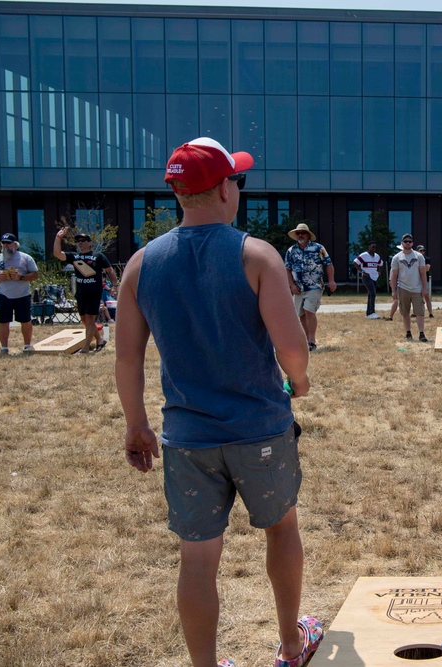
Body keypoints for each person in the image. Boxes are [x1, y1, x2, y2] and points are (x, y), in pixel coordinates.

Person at [115, 136, 323, 667]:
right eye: (238, 179)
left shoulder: (141, 264)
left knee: (198, 558)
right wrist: (298, 383)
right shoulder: (256, 254)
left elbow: (128, 360)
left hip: (187, 439)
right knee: (282, 529)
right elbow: (291, 347)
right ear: (225, 189)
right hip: (260, 429)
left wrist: (136, 425)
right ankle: (292, 646)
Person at [53, 228, 119, 352]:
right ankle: (100, 340)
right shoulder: (74, 256)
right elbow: (58, 254)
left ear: (90, 243)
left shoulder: (98, 256)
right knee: (84, 319)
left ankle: (85, 348)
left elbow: (109, 270)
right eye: (78, 241)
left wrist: (114, 286)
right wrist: (58, 238)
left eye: (83, 240)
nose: (80, 243)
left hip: (93, 291)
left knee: (90, 319)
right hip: (81, 292)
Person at [0, 233, 39, 355]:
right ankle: (4, 348)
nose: (5, 246)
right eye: (3, 243)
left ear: (15, 245)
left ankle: (27, 346)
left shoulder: (26, 258)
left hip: (22, 295)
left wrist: (21, 277)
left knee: (25, 320)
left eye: (8, 243)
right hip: (3, 295)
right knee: (3, 322)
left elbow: (35, 275)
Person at [285, 222, 336, 351]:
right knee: (301, 314)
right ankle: (306, 340)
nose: (300, 235)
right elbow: (287, 269)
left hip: (314, 285)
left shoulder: (319, 248)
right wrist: (291, 285)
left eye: (303, 233)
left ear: (308, 235)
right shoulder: (291, 251)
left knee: (309, 311)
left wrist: (331, 281)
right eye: (298, 233)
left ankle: (312, 340)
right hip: (298, 287)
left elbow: (328, 264)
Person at [389, 233, 429, 341]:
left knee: (420, 311)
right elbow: (394, 275)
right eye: (405, 241)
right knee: (405, 311)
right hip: (403, 288)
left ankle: (421, 333)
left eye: (410, 241)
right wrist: (394, 291)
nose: (408, 243)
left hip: (417, 288)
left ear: (412, 243)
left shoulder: (418, 256)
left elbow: (423, 273)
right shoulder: (397, 257)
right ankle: (408, 332)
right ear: (402, 243)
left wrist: (424, 288)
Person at [353, 240, 383, 319]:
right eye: (372, 246)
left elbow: (381, 264)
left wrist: (379, 271)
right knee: (372, 293)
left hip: (375, 277)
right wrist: (362, 271)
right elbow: (355, 263)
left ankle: (368, 313)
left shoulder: (377, 256)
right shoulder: (364, 255)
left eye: (375, 247)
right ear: (369, 247)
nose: (374, 248)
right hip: (367, 277)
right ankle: (372, 312)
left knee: (371, 294)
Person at [416, 244, 434, 317]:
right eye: (420, 250)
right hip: (416, 280)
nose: (422, 252)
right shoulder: (414, 259)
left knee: (426, 296)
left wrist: (419, 269)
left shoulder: (427, 259)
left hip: (424, 280)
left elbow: (427, 269)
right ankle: (417, 312)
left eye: (423, 250)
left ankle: (430, 313)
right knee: (417, 297)